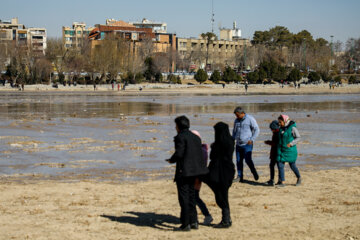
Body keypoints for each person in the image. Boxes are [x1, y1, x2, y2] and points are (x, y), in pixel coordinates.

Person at [166, 116, 209, 231]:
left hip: (184, 171)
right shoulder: (196, 137)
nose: (175, 128)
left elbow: (179, 153)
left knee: (184, 198)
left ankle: (185, 224)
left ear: (179, 126)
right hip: (195, 171)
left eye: (176, 126)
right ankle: (194, 222)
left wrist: (171, 160)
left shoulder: (180, 137)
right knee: (191, 196)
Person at [204, 122, 235, 228]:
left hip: (219, 172)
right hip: (228, 171)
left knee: (221, 196)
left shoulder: (219, 144)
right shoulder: (230, 141)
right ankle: (227, 219)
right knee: (223, 195)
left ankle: (226, 220)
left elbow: (213, 156)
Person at [191, 130, 213, 226]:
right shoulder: (202, 149)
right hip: (197, 176)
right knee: (194, 197)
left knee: (194, 197)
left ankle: (205, 216)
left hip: (196, 177)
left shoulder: (199, 150)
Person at [232, 107, 260, 182]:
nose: (236, 116)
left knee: (248, 160)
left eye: (237, 115)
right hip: (238, 144)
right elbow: (234, 131)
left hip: (247, 144)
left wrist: (252, 139)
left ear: (242, 113)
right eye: (236, 115)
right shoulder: (236, 121)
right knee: (238, 161)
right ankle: (239, 177)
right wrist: (232, 139)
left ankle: (254, 172)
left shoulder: (250, 119)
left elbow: (257, 129)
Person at [276, 115, 302, 187]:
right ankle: (282, 182)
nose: (279, 123)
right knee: (280, 164)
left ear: (285, 121)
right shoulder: (281, 128)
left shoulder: (292, 128)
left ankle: (299, 178)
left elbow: (298, 137)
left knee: (292, 165)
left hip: (290, 151)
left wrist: (291, 144)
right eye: (278, 122)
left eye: (280, 122)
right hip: (281, 150)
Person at [264, 120, 280, 186]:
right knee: (272, 166)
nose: (271, 130)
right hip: (274, 152)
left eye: (271, 129)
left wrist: (269, 142)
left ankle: (278, 180)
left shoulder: (278, 133)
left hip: (277, 152)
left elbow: (276, 144)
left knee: (279, 166)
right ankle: (272, 179)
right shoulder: (276, 132)